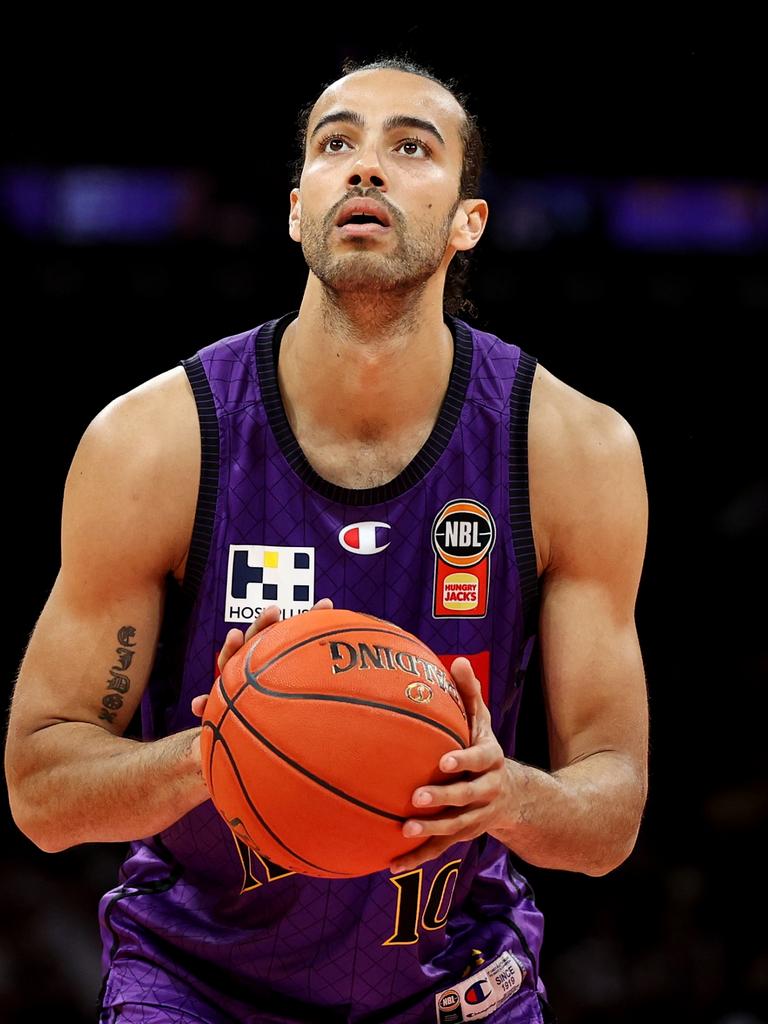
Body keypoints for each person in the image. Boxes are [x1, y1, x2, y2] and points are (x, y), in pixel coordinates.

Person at [4, 55, 649, 1024]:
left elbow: (613, 810)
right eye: (335, 143)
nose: (366, 167)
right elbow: (41, 788)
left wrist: (502, 793)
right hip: (196, 977)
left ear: (469, 221)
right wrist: (220, 750)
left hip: (454, 970)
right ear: (298, 206)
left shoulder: (572, 448)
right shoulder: (154, 442)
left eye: (411, 146)